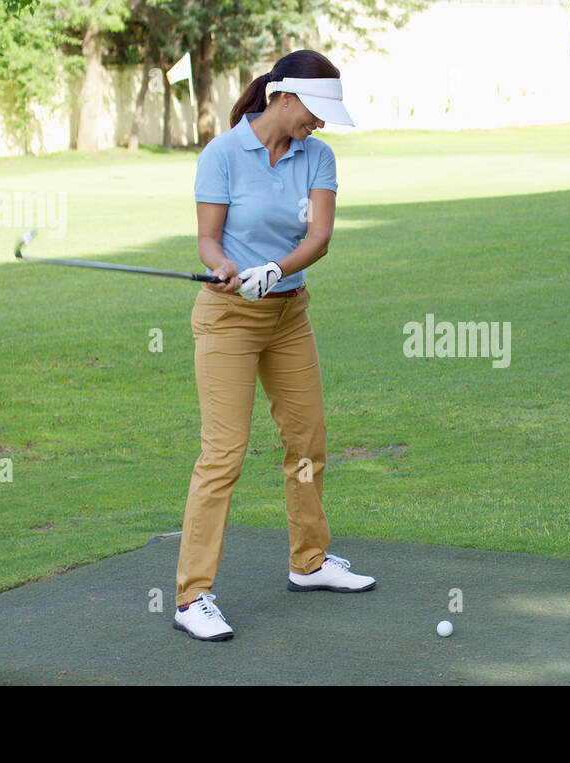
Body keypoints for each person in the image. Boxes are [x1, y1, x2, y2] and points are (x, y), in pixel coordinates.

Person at [172, 50, 375, 643]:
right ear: (283, 98)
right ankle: (192, 595)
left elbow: (321, 236)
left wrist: (276, 270)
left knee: (307, 440)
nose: (322, 123)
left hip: (289, 313)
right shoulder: (222, 154)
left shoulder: (319, 157)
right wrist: (230, 267)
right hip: (229, 317)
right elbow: (208, 242)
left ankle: (308, 561)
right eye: (316, 110)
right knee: (223, 455)